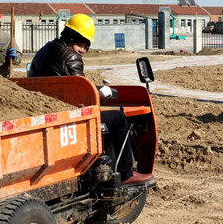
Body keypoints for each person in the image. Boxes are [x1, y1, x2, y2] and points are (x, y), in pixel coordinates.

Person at [29, 13, 151, 185]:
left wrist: (95, 88)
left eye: (86, 47)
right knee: (118, 117)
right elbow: (84, 96)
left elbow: (71, 83)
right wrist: (103, 93)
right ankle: (126, 173)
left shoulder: (46, 49)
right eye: (80, 45)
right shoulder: (71, 57)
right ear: (71, 38)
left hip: (48, 109)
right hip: (69, 115)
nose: (82, 51)